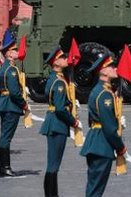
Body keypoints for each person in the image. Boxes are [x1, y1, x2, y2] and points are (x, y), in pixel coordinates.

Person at [81, 51, 126, 197]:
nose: (115, 69)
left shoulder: (100, 90)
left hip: (96, 142)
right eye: (112, 66)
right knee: (96, 190)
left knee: (94, 188)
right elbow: (109, 127)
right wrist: (120, 146)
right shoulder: (104, 94)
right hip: (101, 144)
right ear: (104, 71)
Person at [40, 45, 80, 197]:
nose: (65, 59)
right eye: (62, 57)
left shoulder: (54, 79)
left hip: (53, 122)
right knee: (54, 164)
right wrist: (73, 121)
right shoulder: (59, 83)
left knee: (53, 163)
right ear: (55, 62)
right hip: (57, 123)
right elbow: (60, 109)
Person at [0, 32, 29, 177]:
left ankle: (3, 168)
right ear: (9, 53)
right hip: (11, 105)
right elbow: (15, 92)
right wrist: (24, 104)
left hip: (5, 103)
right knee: (6, 137)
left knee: (4, 136)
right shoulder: (11, 70)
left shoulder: (5, 68)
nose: (17, 51)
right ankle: (5, 167)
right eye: (15, 50)